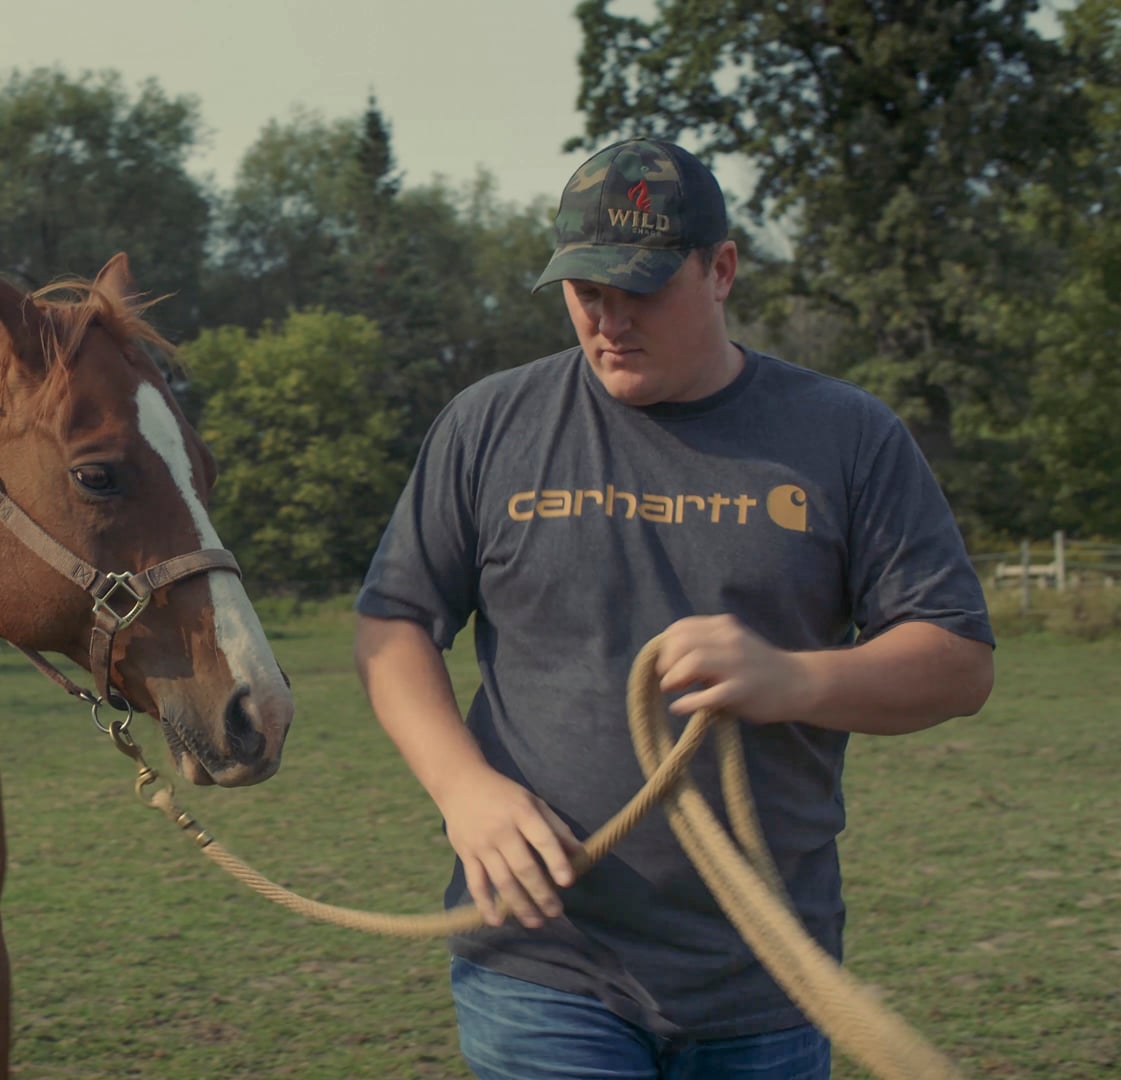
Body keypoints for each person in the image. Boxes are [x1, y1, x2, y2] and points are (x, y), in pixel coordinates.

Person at [352, 137, 995, 1080]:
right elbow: (393, 621)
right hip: (542, 968)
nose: (609, 321)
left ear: (722, 269)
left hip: (767, 974)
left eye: (641, 290)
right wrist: (464, 792)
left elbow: (958, 662)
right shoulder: (490, 425)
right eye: (586, 293)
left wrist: (793, 677)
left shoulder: (847, 437)